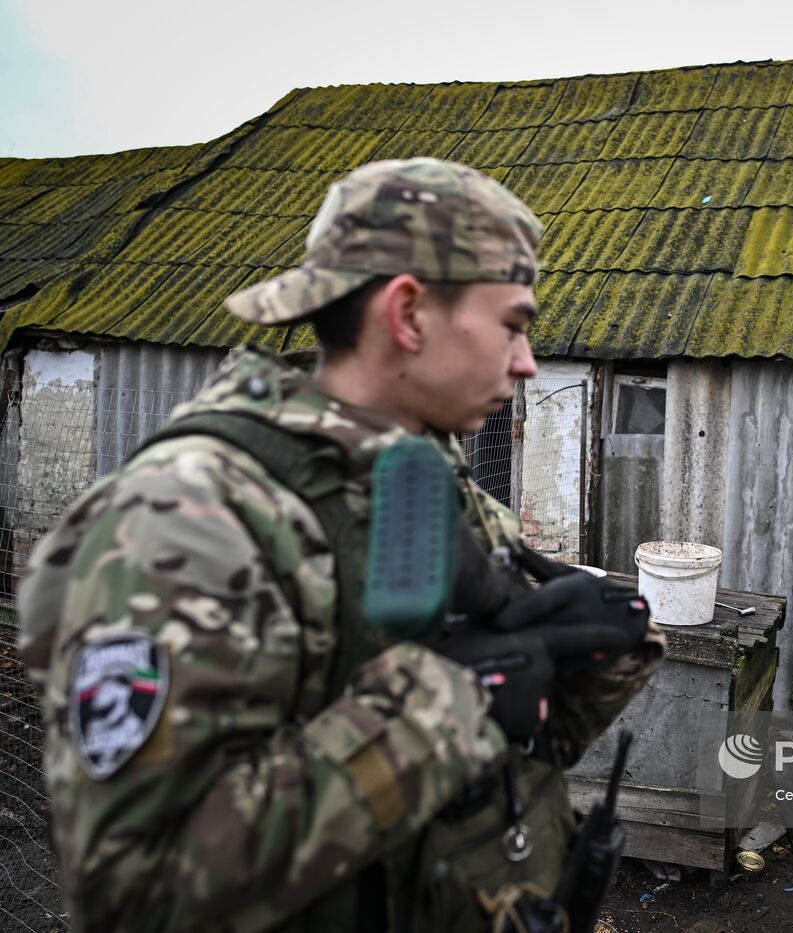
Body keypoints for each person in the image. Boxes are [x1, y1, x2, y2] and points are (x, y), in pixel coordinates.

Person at [19, 158, 666, 932]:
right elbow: (137, 891)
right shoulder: (189, 517)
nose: (527, 361)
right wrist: (443, 706)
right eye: (514, 325)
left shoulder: (426, 486)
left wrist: (588, 661)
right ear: (408, 313)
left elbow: (496, 763)